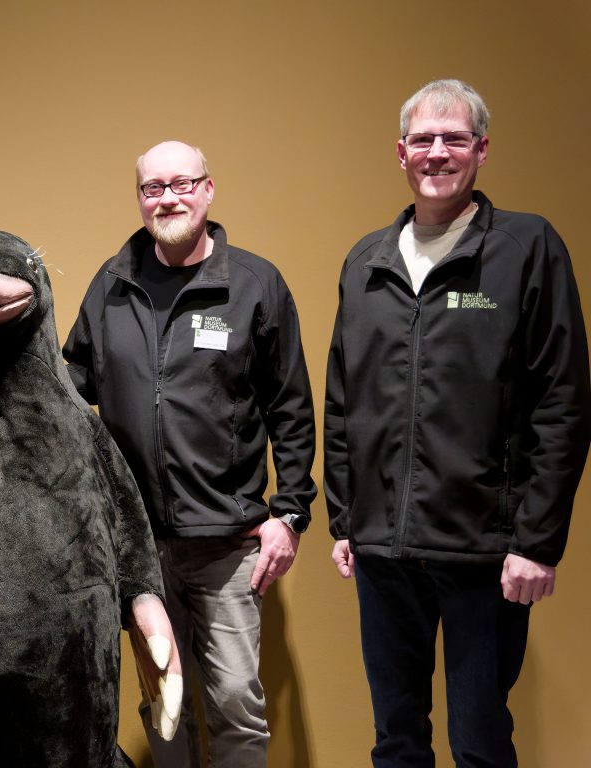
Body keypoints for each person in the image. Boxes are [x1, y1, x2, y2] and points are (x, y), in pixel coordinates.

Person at [324, 79, 591, 767]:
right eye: (422, 139)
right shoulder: (366, 262)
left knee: (479, 740)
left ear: (481, 150)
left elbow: (563, 401)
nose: (436, 152)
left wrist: (538, 542)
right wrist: (345, 518)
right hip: (383, 549)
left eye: (453, 138)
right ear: (400, 152)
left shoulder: (527, 248)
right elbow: (342, 398)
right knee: (397, 739)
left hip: (484, 550)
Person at [64, 140, 316, 767]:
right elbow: (68, 385)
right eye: (153, 187)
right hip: (139, 544)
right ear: (140, 198)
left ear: (207, 190)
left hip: (227, 542)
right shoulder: (112, 284)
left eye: (181, 184)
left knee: (234, 699)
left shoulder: (255, 285)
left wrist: (290, 514)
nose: (167, 197)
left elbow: (292, 406)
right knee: (164, 701)